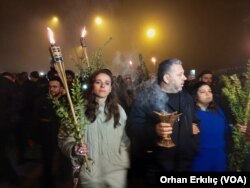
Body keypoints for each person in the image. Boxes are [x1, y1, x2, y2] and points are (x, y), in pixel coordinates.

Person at [126, 58, 200, 187]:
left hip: (184, 165)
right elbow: (132, 127)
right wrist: (154, 130)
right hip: (156, 168)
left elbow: (194, 119)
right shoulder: (146, 98)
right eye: (179, 75)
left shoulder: (186, 97)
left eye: (183, 73)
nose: (185, 78)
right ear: (167, 78)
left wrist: (194, 130)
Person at [58, 69, 130, 188]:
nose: (103, 86)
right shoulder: (78, 111)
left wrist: (123, 161)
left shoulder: (119, 111)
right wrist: (73, 149)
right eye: (98, 82)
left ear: (111, 88)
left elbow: (124, 140)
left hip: (115, 174)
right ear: (92, 86)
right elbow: (64, 138)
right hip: (90, 175)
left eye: (107, 83)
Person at [191, 81, 231, 172]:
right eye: (202, 92)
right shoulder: (191, 113)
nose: (207, 94)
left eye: (209, 91)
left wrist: (237, 128)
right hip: (200, 156)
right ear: (195, 96)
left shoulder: (218, 110)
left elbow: (226, 128)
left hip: (219, 155)